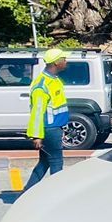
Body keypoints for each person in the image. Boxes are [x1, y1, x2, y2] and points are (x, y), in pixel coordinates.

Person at [24, 48, 71, 191]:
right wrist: (37, 136)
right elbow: (37, 113)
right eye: (64, 59)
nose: (66, 61)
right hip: (50, 129)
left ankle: (27, 192)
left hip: (54, 127)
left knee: (44, 162)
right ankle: (57, 195)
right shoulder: (42, 85)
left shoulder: (53, 80)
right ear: (57, 62)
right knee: (56, 162)